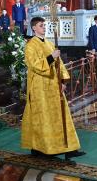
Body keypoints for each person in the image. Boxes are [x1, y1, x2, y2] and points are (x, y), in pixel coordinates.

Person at [22, 17, 84, 160]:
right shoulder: (31, 45)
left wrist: (63, 81)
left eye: (45, 25)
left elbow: (59, 63)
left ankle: (69, 148)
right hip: (40, 87)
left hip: (54, 85)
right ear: (34, 28)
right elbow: (34, 64)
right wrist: (51, 57)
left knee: (61, 115)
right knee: (43, 118)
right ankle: (42, 147)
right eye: (41, 25)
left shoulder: (49, 43)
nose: (44, 27)